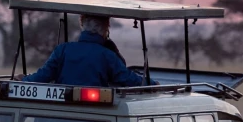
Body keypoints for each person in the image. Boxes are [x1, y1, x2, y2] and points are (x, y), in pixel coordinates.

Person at [15, 14, 153, 86]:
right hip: (96, 116)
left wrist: (24, 80)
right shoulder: (107, 55)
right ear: (105, 29)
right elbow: (127, 78)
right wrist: (151, 83)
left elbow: (43, 76)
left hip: (62, 114)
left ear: (82, 25)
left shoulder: (62, 50)